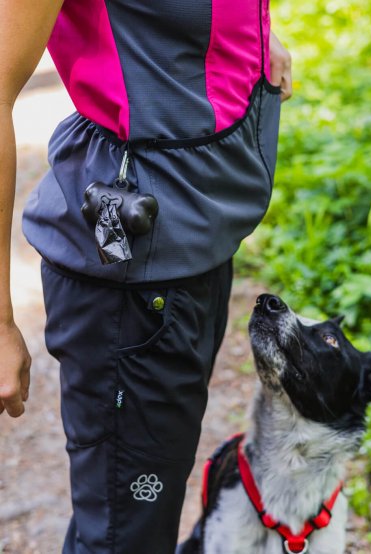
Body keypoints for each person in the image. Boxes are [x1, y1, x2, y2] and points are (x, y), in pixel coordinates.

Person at [0, 1, 292, 553]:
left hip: (201, 242)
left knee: (127, 513)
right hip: (130, 290)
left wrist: (257, 39)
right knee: (125, 533)